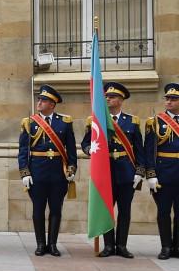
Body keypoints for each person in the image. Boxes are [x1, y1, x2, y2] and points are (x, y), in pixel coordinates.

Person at [81, 82, 143, 258]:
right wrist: (89, 149)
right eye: (107, 96)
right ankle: (108, 246)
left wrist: (139, 171)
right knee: (106, 209)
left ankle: (121, 245)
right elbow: (86, 142)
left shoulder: (132, 121)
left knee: (125, 211)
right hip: (105, 172)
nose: (108, 99)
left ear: (121, 100)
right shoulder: (97, 120)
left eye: (112, 97)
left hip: (126, 172)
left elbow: (139, 149)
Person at [18, 84, 77, 257]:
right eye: (39, 99)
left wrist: (72, 168)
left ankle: (52, 244)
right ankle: (40, 244)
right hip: (37, 172)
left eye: (43, 100)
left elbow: (71, 150)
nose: (39, 102)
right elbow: (23, 150)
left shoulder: (64, 122)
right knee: (38, 209)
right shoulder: (29, 122)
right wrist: (24, 172)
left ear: (52, 104)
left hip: (58, 173)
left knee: (56, 209)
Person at [144, 83, 179, 260]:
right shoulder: (155, 122)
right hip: (163, 174)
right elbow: (149, 151)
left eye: (173, 99)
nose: (169, 102)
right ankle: (166, 246)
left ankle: (177, 246)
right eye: (167, 98)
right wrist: (151, 174)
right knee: (164, 212)